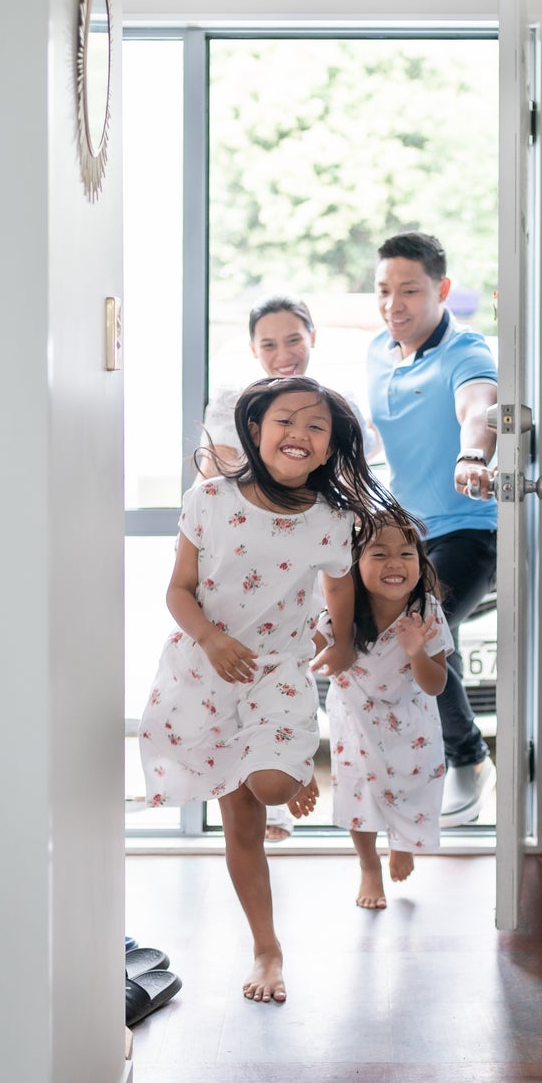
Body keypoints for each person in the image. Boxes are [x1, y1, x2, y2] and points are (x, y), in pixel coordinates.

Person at [139, 377, 412, 1002]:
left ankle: (287, 766)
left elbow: (341, 586)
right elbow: (178, 589)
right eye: (285, 419)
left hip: (278, 672)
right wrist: (210, 638)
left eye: (316, 428)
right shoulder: (206, 499)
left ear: (329, 449)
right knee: (241, 821)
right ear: (255, 429)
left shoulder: (334, 519)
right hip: (204, 669)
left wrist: (341, 640)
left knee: (272, 785)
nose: (299, 433)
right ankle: (267, 949)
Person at [198, 294, 375, 841]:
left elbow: (359, 481)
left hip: (305, 559)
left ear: (312, 338)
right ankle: (270, 794)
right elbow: (214, 471)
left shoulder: (332, 409)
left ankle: (293, 769)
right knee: (236, 686)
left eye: (293, 339)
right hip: (239, 565)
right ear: (253, 349)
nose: (283, 352)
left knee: (296, 668)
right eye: (269, 343)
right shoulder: (237, 405)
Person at [365, 232, 498, 828]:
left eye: (410, 291)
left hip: (471, 529)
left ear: (442, 290)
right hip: (407, 534)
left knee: (421, 625)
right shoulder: (377, 352)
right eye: (384, 290)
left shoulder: (464, 352)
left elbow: (481, 406)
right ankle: (422, 766)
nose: (395, 304)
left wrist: (474, 456)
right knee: (422, 630)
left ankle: (469, 760)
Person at [314, 519, 452, 908]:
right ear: (354, 564)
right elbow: (311, 648)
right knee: (360, 793)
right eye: (380, 554)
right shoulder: (342, 611)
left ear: (420, 563)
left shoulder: (427, 612)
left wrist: (416, 653)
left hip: (412, 720)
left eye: (406, 554)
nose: (395, 563)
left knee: (413, 786)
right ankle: (369, 867)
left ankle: (404, 841)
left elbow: (436, 684)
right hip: (354, 719)